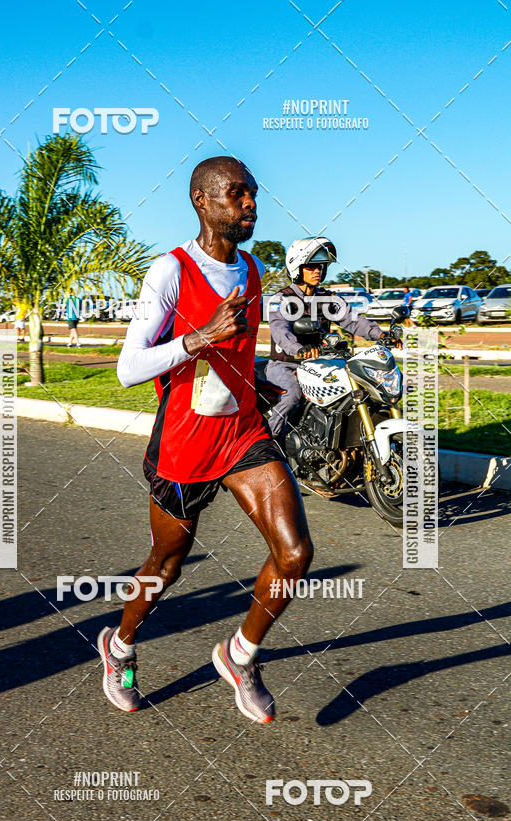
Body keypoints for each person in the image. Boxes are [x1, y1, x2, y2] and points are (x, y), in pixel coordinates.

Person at [97, 156, 314, 724]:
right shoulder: (167, 271)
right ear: (201, 200)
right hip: (184, 444)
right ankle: (119, 646)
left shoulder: (253, 268)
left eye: (253, 194)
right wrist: (198, 338)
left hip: (241, 434)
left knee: (295, 553)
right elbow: (128, 368)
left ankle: (240, 656)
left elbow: (245, 352)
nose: (250, 204)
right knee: (166, 564)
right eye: (236, 194)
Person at [266, 238, 391, 442]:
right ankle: (268, 445)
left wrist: (380, 334)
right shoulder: (281, 299)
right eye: (312, 266)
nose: (318, 271)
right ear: (297, 267)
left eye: (322, 267)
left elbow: (351, 320)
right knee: (291, 396)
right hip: (285, 364)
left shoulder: (327, 299)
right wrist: (298, 349)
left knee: (352, 391)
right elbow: (280, 330)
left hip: (319, 365)